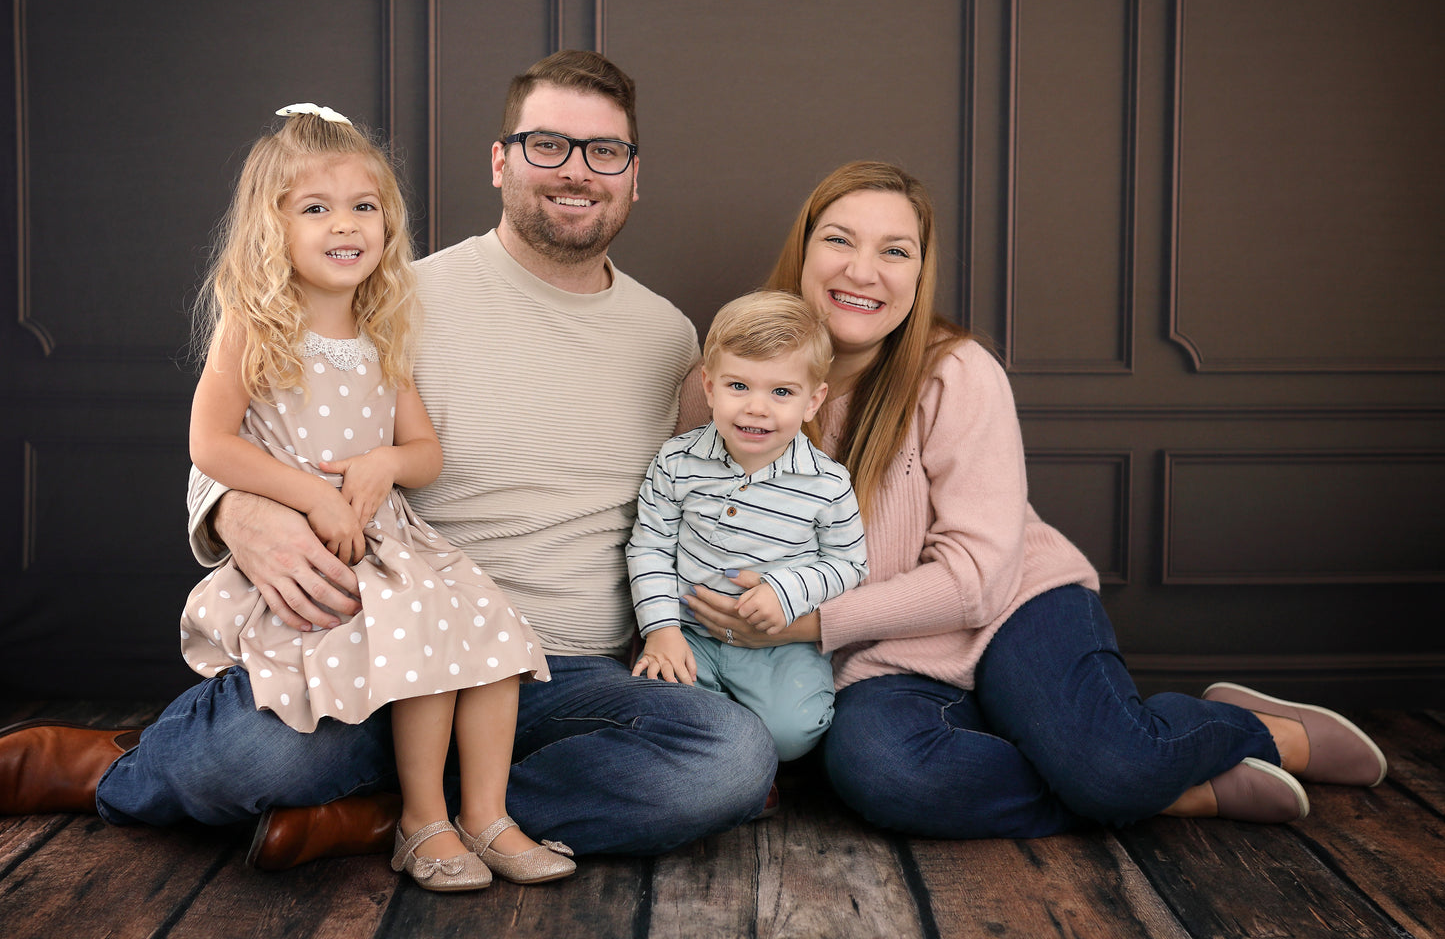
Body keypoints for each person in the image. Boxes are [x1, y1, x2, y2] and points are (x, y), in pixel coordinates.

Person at [0, 52, 776, 867]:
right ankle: (117, 770)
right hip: (393, 650)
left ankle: (382, 817)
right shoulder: (391, 293)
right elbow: (248, 428)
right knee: (251, 757)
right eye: (547, 145)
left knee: (728, 758)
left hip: (569, 677)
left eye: (603, 151)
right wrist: (240, 510)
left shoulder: (669, 339)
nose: (576, 172)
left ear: (633, 175)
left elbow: (700, 497)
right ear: (500, 160)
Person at [687, 160, 1388, 837]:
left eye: (894, 250)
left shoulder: (954, 373)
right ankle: (1166, 790)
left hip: (1013, 609)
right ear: (802, 250)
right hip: (878, 656)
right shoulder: (721, 383)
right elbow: (683, 531)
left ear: (917, 274)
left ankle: (1256, 734)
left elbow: (976, 581)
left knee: (1112, 766)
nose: (862, 271)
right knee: (886, 774)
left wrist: (803, 621)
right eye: (838, 239)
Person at [179, 103, 571, 890]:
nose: (344, 226)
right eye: (315, 209)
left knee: (491, 637)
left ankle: (487, 818)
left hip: (388, 531)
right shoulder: (256, 329)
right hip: (319, 540)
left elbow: (427, 453)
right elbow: (211, 446)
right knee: (422, 645)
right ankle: (421, 821)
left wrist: (386, 463)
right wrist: (309, 497)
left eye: (364, 207)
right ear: (272, 227)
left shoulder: (382, 333)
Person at [627, 290, 866, 760]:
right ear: (710, 387)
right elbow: (649, 546)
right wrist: (661, 629)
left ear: (813, 401)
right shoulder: (678, 461)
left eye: (781, 392)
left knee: (794, 732)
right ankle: (729, 764)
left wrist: (787, 591)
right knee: (665, 712)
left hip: (779, 642)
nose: (757, 407)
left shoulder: (827, 482)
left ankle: (754, 759)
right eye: (739, 386)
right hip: (689, 629)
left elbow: (849, 563)